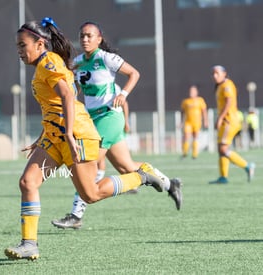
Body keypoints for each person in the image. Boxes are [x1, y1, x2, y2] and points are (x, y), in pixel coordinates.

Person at [4, 17, 167, 261]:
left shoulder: (49, 63)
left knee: (90, 194)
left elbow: (69, 96)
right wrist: (42, 137)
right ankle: (29, 244)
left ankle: (141, 176)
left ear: (39, 44)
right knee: (28, 182)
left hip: (77, 134)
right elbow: (54, 106)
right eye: (17, 45)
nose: (19, 50)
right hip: (55, 137)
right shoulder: (44, 65)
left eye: (22, 45)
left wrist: (68, 133)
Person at [51, 21, 182, 230]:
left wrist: (123, 94)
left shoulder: (105, 58)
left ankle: (76, 215)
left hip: (110, 117)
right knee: (126, 167)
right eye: (82, 36)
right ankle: (169, 184)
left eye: (89, 36)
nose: (85, 39)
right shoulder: (77, 62)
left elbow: (134, 74)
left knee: (89, 163)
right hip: (93, 120)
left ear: (99, 39)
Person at [209, 65, 255, 184]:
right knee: (221, 149)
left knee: (223, 149)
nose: (214, 76)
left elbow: (229, 102)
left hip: (230, 121)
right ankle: (223, 177)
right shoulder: (220, 86)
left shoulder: (227, 85)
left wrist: (220, 118)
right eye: (213, 73)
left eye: (217, 73)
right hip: (225, 121)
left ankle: (248, 166)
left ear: (224, 74)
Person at [180, 85, 208, 159]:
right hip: (188, 122)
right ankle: (185, 152)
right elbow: (182, 112)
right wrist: (181, 122)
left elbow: (204, 111)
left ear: (196, 92)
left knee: (195, 137)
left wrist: (205, 121)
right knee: (186, 136)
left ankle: (194, 154)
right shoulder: (186, 101)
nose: (191, 92)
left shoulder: (200, 100)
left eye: (193, 91)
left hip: (197, 122)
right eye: (190, 91)